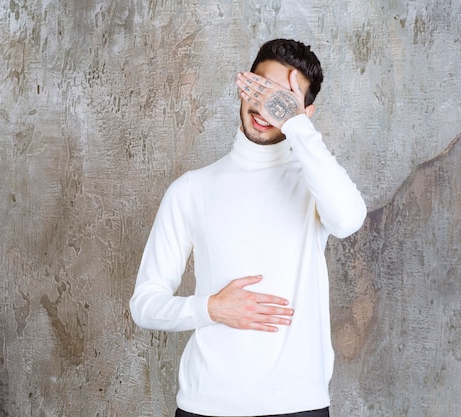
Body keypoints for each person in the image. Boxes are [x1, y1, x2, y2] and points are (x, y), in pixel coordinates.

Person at [130, 39, 367, 417]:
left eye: (284, 99)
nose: (266, 106)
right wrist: (211, 308)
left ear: (305, 112)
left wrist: (295, 125)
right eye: (261, 88)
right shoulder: (191, 189)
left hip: (299, 406)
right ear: (244, 87)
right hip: (205, 406)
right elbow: (144, 305)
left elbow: (349, 219)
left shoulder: (314, 184)